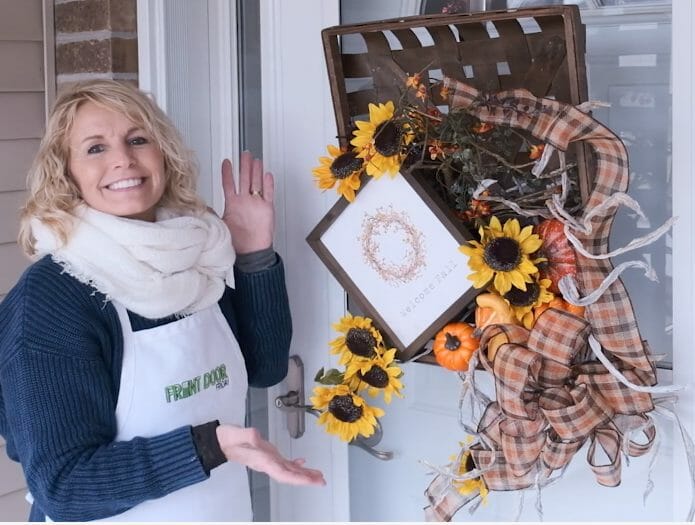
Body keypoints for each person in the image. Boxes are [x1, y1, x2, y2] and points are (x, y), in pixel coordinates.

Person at [0, 80, 325, 522]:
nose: (123, 159)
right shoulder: (55, 297)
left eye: (137, 139)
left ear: (163, 155)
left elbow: (264, 370)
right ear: (66, 174)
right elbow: (63, 485)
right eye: (95, 148)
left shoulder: (193, 258)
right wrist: (212, 446)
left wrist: (253, 255)